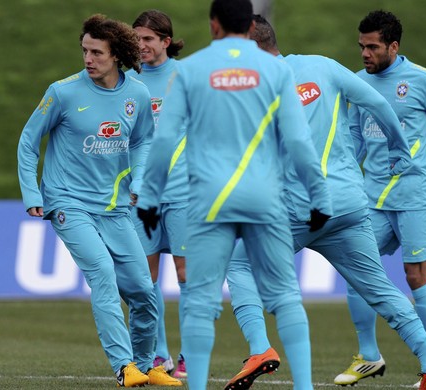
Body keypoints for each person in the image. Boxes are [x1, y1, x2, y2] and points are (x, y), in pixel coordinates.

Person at [224, 14, 426, 390]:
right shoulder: (323, 66)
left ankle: (259, 349)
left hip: (297, 211)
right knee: (380, 287)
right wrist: (399, 147)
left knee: (238, 264)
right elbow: (379, 104)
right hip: (349, 204)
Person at [136, 1, 334, 389]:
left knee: (200, 301)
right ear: (249, 25)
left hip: (211, 200)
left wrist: (148, 199)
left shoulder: (190, 70)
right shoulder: (277, 69)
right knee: (284, 296)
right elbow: (298, 141)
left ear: (213, 25)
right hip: (265, 198)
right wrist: (320, 198)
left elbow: (161, 143)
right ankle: (306, 387)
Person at [16, 14, 181, 388]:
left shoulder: (136, 94)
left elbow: (142, 141)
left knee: (142, 288)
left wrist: (138, 179)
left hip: (115, 208)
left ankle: (146, 365)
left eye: (97, 53)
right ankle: (124, 367)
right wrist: (32, 193)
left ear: (117, 54)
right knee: (103, 275)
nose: (88, 59)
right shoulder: (62, 92)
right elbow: (28, 142)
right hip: (68, 203)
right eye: (85, 51)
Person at [340, 9, 426, 385]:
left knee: (415, 275)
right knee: (357, 271)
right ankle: (368, 356)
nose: (365, 54)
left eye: (373, 47)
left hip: (416, 196)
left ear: (393, 46)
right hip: (371, 199)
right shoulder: (357, 83)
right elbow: (355, 137)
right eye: (362, 47)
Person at [127, 9, 188, 378]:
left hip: (183, 191)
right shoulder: (126, 82)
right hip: (141, 195)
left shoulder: (185, 78)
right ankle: (157, 356)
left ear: (166, 41)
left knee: (186, 275)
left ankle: (188, 355)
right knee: (145, 278)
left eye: (149, 38)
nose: (141, 45)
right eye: (136, 38)